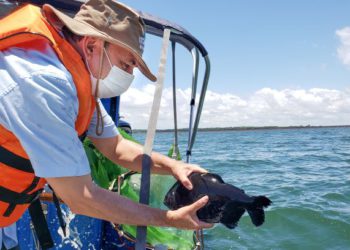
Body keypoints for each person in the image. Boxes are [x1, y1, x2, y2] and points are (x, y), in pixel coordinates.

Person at [0, 0, 213, 241]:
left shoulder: (80, 80)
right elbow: (80, 197)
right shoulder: (44, 83)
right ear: (92, 45)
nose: (130, 76)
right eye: (126, 64)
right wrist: (167, 219)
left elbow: (116, 147)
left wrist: (174, 167)